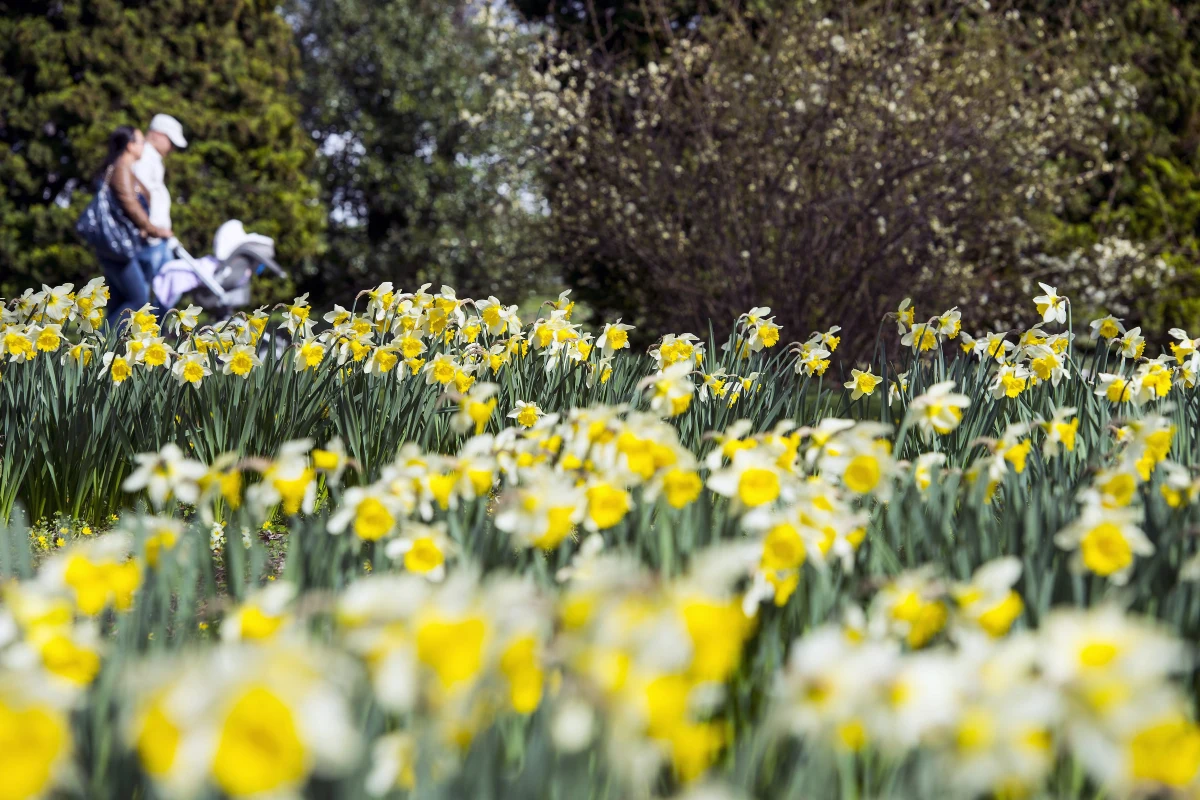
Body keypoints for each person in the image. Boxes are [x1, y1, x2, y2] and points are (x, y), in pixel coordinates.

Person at [93, 126, 173, 325]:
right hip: (119, 247)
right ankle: (101, 342)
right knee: (139, 300)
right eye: (141, 142)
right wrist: (155, 230)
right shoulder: (121, 168)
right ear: (130, 146)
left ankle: (106, 343)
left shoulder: (123, 169)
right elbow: (131, 205)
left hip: (117, 246)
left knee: (119, 302)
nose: (144, 146)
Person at [132, 113, 187, 278]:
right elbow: (139, 199)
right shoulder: (144, 158)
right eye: (171, 142)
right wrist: (154, 228)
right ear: (157, 134)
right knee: (146, 291)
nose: (172, 149)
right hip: (151, 240)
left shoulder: (152, 159)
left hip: (158, 239)